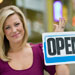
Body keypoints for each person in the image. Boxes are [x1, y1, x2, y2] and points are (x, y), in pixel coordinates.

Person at [0, 5, 69, 75]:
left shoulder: (39, 51)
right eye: (7, 27)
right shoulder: (1, 59)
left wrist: (59, 45)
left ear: (23, 25)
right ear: (3, 32)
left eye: (17, 24)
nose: (14, 30)